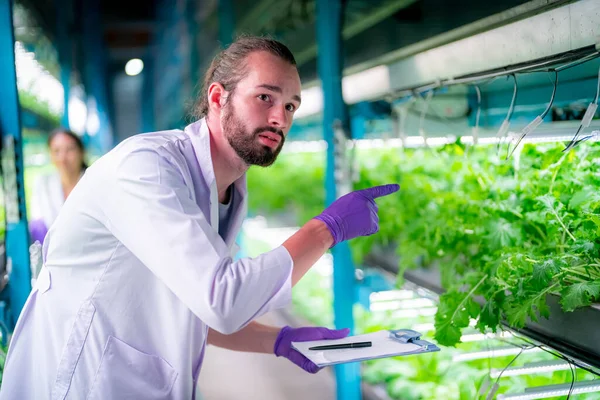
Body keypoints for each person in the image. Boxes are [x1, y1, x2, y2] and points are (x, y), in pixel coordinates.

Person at [0, 36, 399, 399]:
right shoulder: (146, 169)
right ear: (217, 97)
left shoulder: (225, 190)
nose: (281, 118)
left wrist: (279, 340)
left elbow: (192, 305)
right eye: (265, 97)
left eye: (291, 106)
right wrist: (325, 229)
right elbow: (220, 298)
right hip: (80, 383)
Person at [28, 128, 87, 244]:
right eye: (56, 151)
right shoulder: (43, 183)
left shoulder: (93, 181)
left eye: (70, 150)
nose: (63, 158)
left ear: (81, 152)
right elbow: (38, 221)